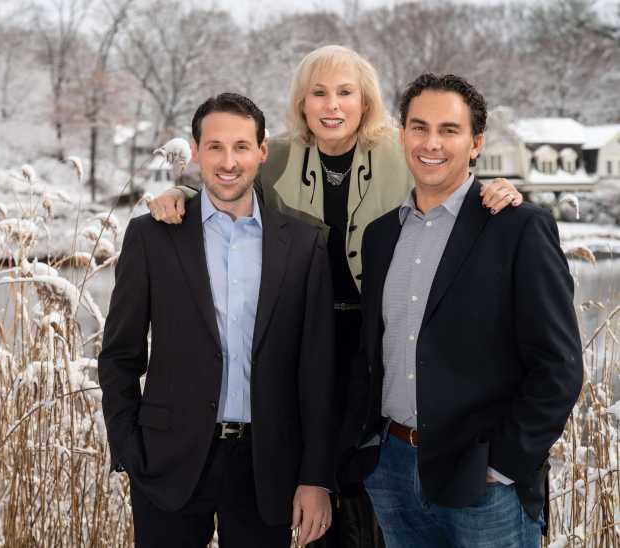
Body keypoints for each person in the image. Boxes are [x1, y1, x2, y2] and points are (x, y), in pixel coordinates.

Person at [147, 45, 523, 547]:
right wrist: (184, 195)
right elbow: (229, 184)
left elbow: (448, 175)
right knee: (306, 482)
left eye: (345, 92)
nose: (332, 105)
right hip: (298, 344)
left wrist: (496, 189)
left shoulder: (403, 151)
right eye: (318, 93)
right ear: (301, 103)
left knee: (369, 489)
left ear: (365, 101)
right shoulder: (277, 154)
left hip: (375, 345)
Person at [344, 72, 583, 548]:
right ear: (403, 136)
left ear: (476, 143)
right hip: (392, 468)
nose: (431, 143)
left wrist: (503, 465)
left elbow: (559, 366)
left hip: (482, 481)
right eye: (419, 127)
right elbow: (372, 351)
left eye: (449, 130)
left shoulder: (518, 228)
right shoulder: (380, 236)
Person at [99, 92, 337, 548]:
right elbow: (119, 355)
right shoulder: (151, 237)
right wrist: (129, 447)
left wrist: (315, 477)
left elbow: (318, 371)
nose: (229, 162)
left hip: (266, 465)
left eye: (241, 147)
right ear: (196, 152)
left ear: (262, 151)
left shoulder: (303, 245)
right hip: (167, 460)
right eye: (215, 147)